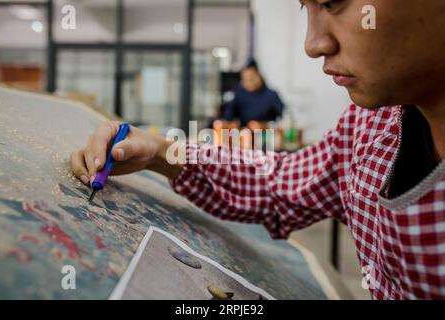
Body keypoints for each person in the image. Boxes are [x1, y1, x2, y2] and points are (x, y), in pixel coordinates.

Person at [71, 0, 445, 300]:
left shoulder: (272, 97)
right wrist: (160, 152)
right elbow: (277, 180)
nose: (313, 44)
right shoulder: (370, 126)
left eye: (332, 3)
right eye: (305, 8)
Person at [222, 60, 285, 129]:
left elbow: (285, 118)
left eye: (251, 79)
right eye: (245, 79)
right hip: (243, 135)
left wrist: (265, 126)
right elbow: (228, 116)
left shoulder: (271, 95)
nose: (248, 83)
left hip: (266, 136)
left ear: (259, 76)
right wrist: (231, 123)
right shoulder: (238, 94)